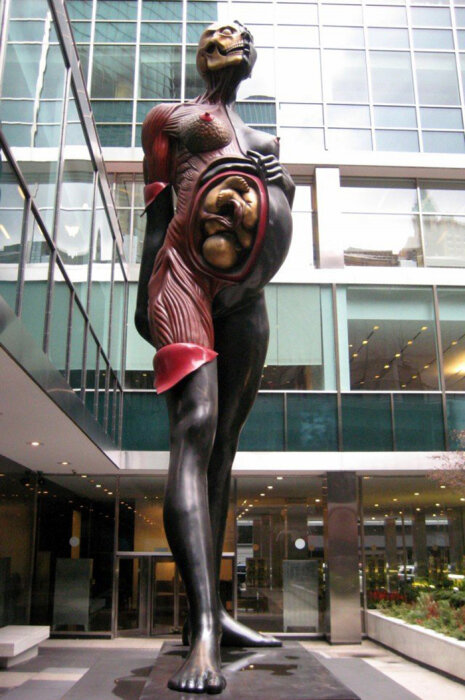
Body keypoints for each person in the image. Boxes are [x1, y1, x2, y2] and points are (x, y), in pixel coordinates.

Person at [136, 21, 294, 694]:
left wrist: (285, 186)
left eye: (240, 35)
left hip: (245, 295)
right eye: (218, 33)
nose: (230, 39)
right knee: (195, 426)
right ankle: (201, 630)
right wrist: (143, 295)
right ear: (201, 54)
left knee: (223, 446)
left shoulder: (265, 143)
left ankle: (216, 613)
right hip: (182, 278)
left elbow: (277, 217)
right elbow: (156, 213)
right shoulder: (168, 120)